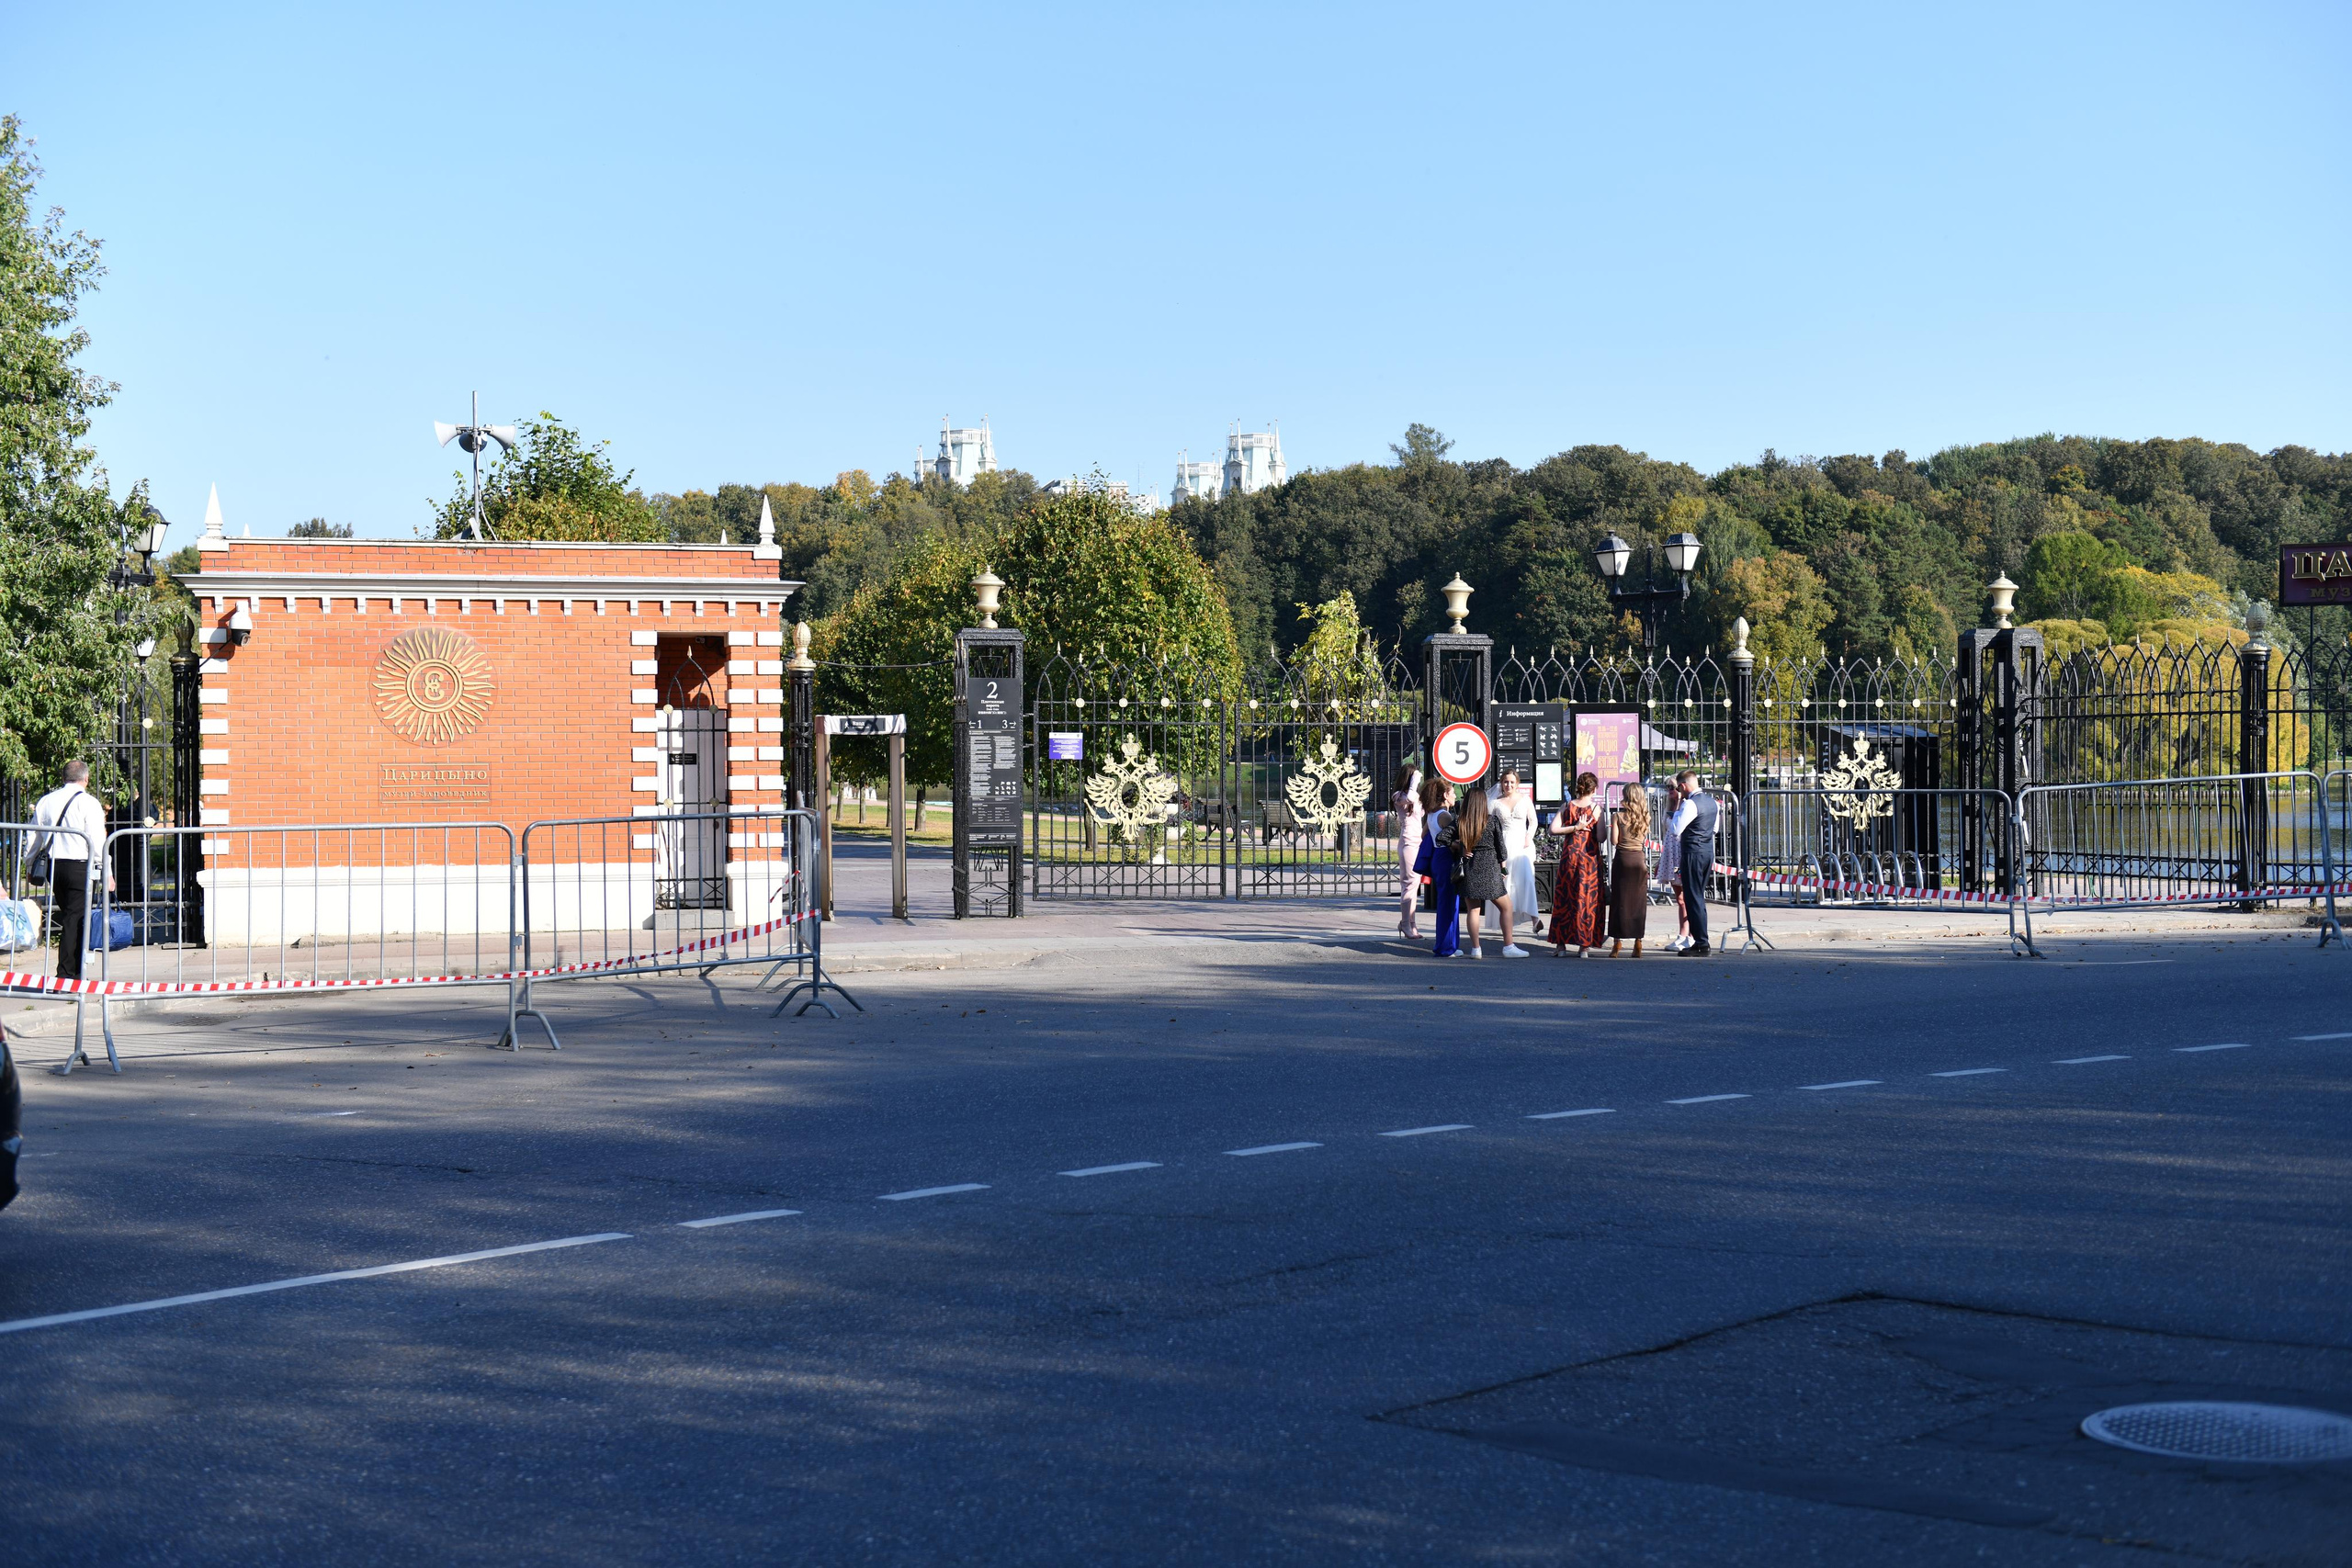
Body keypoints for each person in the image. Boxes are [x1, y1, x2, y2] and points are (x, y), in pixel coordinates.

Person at [28, 761, 110, 982]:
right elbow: (96, 839)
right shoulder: (89, 803)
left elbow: (33, 837)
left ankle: (74, 971)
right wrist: (106, 870)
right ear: (86, 778)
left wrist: (29, 865)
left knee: (71, 916)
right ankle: (67, 975)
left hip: (54, 866)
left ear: (63, 777)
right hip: (78, 866)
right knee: (74, 919)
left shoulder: (46, 801)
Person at [1445, 784, 1527, 958]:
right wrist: (1503, 868)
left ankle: (1476, 949)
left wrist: (1459, 846)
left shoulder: (1461, 821)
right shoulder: (1491, 821)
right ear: (1483, 803)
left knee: (1473, 910)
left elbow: (1442, 837)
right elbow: (1501, 850)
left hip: (1469, 870)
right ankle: (1508, 946)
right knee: (1506, 907)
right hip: (1490, 870)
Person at [1546, 771, 1606, 957]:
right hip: (1589, 859)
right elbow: (1601, 837)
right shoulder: (1596, 809)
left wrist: (1573, 828)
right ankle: (1584, 945)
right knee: (1586, 899)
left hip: (1569, 857)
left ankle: (1561, 945)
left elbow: (1553, 829)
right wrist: (1585, 828)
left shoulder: (1567, 806)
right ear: (1594, 788)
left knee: (1565, 898)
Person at [1667, 771, 1718, 956]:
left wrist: (1678, 808)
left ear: (1682, 786)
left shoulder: (1689, 804)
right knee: (1698, 896)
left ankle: (1701, 943)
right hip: (1706, 852)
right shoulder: (1712, 802)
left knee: (1692, 897)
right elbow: (1715, 829)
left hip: (1692, 853)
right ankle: (1700, 940)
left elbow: (1675, 829)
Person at [1413, 774, 1461, 957]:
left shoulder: (1432, 814)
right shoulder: (1445, 816)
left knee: (1446, 903)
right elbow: (1454, 839)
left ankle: (1449, 944)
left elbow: (1424, 835)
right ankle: (1446, 947)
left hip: (1437, 859)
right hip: (1446, 858)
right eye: (1452, 792)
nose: (1455, 796)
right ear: (1444, 796)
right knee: (1449, 905)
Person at [1489, 769, 1540, 940]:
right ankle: (1507, 920)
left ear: (1517, 783)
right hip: (1503, 843)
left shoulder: (1525, 800)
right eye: (1505, 782)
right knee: (1506, 883)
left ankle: (1535, 918)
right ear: (1501, 783)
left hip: (1521, 844)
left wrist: (1528, 837)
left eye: (1511, 782)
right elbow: (1489, 824)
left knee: (1526, 879)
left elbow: (1533, 821)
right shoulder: (1495, 803)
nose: (1508, 785)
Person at [1607, 782, 1650, 958]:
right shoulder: (1646, 817)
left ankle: (1617, 943)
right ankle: (1638, 942)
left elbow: (1614, 841)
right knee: (1638, 902)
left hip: (1623, 859)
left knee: (1620, 901)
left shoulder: (1617, 816)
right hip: (1639, 860)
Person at [1392, 762, 1424, 941]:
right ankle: (1405, 923)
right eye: (1414, 778)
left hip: (1418, 842)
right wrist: (1415, 779)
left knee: (1414, 885)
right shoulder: (1399, 796)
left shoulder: (1415, 796)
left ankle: (1411, 922)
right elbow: (1410, 797)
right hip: (1408, 844)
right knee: (1409, 885)